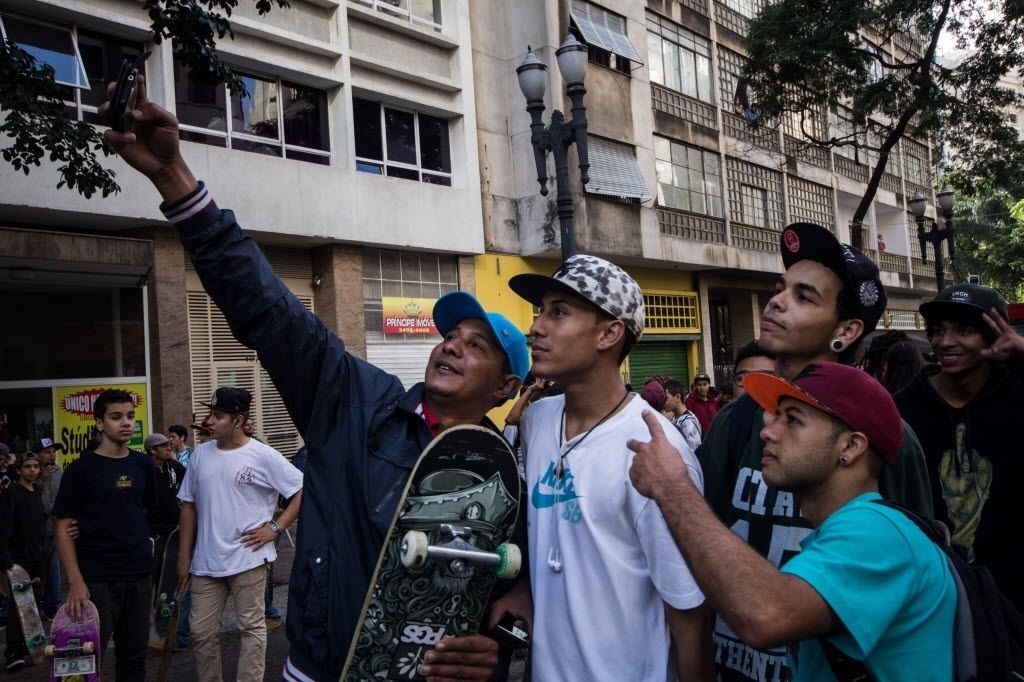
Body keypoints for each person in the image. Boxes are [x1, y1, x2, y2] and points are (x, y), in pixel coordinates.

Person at [100, 79, 531, 682]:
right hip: (316, 668)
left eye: (476, 344)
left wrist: (498, 647)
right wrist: (175, 177)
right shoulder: (359, 403)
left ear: (506, 386)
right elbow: (270, 311)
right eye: (450, 336)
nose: (452, 346)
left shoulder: (505, 474)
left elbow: (513, 591)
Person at [697, 222, 933, 682]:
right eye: (781, 288)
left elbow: (915, 577)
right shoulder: (737, 420)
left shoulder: (888, 439)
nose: (776, 302)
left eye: (804, 297)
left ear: (846, 329)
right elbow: (700, 548)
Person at [628, 362, 958, 681]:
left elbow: (765, 617)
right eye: (775, 416)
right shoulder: (837, 533)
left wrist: (672, 488)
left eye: (793, 420)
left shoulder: (879, 534)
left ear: (851, 446)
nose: (768, 431)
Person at [503, 255, 713, 681]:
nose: (537, 327)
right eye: (540, 311)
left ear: (609, 333)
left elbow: (690, 617)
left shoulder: (655, 451)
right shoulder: (537, 421)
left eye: (558, 312)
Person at [894, 283, 1024, 609]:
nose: (946, 341)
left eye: (964, 330)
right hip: (931, 594)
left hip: (1012, 597)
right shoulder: (902, 410)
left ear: (993, 338)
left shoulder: (1017, 396)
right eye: (938, 330)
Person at [176, 387, 302, 682]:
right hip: (205, 561)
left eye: (218, 416)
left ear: (238, 420)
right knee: (201, 632)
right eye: (210, 414)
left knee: (251, 628)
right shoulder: (200, 455)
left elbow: (301, 490)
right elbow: (188, 507)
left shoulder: (262, 455)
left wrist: (275, 528)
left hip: (249, 558)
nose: (209, 421)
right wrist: (183, 557)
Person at [52, 389, 158, 682]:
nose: (126, 423)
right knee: (85, 662)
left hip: (138, 574)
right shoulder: (80, 470)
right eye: (116, 417)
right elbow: (63, 527)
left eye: (130, 416)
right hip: (95, 579)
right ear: (99, 423)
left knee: (134, 659)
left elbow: (145, 510)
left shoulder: (143, 465)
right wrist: (75, 582)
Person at [0, 452, 47, 671]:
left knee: (35, 606)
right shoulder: (11, 494)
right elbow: (4, 529)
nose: (33, 470)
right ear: (19, 470)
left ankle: (31, 648)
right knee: (18, 607)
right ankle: (12, 651)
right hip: (18, 562)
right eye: (28, 466)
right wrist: (7, 561)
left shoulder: (37, 491)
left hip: (38, 558)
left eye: (36, 466)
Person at [143, 432, 186, 643]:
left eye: (170, 445)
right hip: (153, 533)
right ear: (153, 450)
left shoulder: (174, 467)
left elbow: (189, 481)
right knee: (150, 578)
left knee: (169, 579)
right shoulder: (146, 470)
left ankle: (164, 626)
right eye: (163, 446)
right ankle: (144, 624)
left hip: (174, 531)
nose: (169, 448)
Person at [33, 437, 64, 619]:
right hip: (36, 530)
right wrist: (41, 479)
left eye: (53, 451)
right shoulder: (31, 472)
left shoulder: (60, 472)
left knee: (54, 567)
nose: (52, 455)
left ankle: (52, 604)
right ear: (38, 455)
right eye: (47, 452)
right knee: (37, 568)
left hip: (55, 527)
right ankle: (35, 604)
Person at [662, 379, 702, 451]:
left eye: (666, 398)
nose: (663, 402)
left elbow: (693, 456)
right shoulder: (674, 419)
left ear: (677, 397)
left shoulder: (687, 423)